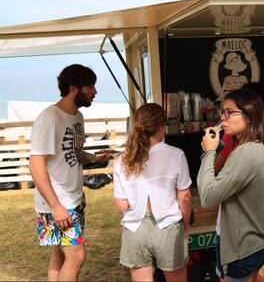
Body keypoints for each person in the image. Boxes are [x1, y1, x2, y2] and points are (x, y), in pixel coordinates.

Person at [29, 64, 114, 281]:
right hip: (58, 202)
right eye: (90, 86)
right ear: (74, 88)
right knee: (76, 257)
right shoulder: (50, 117)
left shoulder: (77, 117)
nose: (95, 92)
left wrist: (95, 158)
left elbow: (73, 152)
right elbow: (36, 163)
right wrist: (56, 207)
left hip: (73, 198)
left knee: (60, 255)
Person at [197, 88, 264, 282]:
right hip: (260, 242)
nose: (223, 118)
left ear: (250, 116)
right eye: (222, 112)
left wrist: (208, 153)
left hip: (242, 246)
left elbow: (208, 196)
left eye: (229, 112)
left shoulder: (245, 153)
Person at [113, 103, 192, 282]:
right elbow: (185, 197)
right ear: (160, 127)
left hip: (135, 229)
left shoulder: (121, 160)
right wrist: (186, 227)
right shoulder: (175, 154)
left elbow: (121, 204)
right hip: (168, 226)